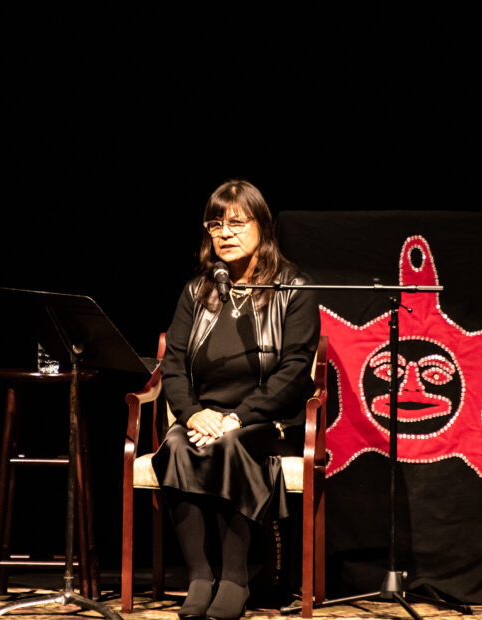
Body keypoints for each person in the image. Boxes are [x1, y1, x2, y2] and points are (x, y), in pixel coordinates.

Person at [151, 179, 320, 620]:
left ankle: (235, 579)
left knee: (229, 446)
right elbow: (173, 364)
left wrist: (237, 418)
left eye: (236, 223)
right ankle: (200, 577)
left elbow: (295, 371)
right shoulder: (197, 290)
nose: (224, 233)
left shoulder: (293, 288)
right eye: (214, 225)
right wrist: (191, 414)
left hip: (268, 420)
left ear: (261, 225)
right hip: (203, 418)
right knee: (176, 447)